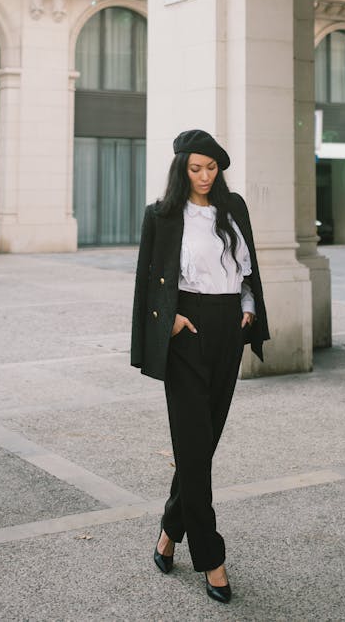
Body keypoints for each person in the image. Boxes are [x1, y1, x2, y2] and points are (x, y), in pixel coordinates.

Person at [131, 128, 269, 604]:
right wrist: (168, 322)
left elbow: (247, 268)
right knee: (193, 444)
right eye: (196, 168)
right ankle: (211, 557)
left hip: (229, 327)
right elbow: (148, 278)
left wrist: (247, 303)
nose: (205, 176)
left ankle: (171, 530)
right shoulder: (163, 215)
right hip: (185, 331)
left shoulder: (234, 210)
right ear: (181, 169)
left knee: (201, 444)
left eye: (211, 168)